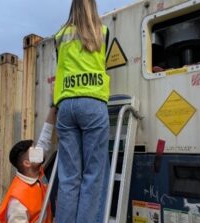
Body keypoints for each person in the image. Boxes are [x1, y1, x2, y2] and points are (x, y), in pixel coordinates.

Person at [53, 0, 110, 222]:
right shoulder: (102, 31)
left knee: (69, 178)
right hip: (93, 104)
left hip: (66, 106)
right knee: (93, 175)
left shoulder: (60, 36)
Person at [0, 107, 56, 223]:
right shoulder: (18, 200)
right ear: (27, 163)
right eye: (34, 151)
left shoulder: (36, 173)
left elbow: (44, 139)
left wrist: (53, 108)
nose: (39, 151)